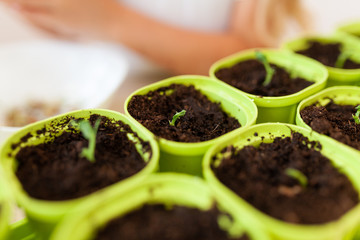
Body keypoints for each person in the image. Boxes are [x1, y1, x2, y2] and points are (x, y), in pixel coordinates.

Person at [0, 0, 310, 75]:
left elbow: (254, 56)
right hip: (99, 92)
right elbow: (65, 23)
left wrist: (112, 21)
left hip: (219, 102)